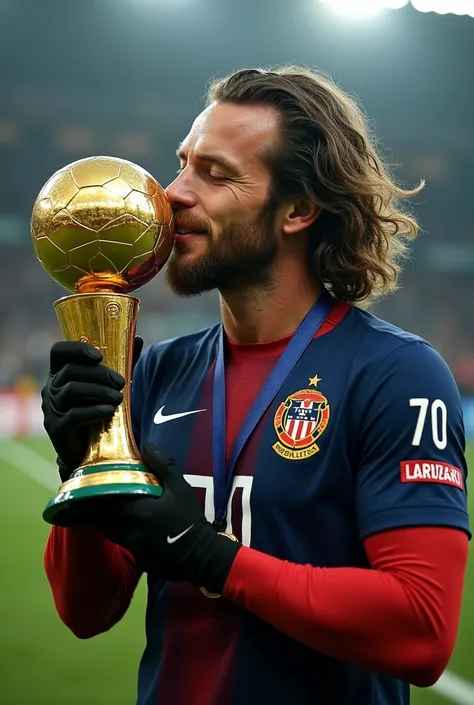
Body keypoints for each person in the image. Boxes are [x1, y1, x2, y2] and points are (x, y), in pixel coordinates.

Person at [41, 67, 470, 705]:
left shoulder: (395, 374)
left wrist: (212, 557)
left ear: (298, 209)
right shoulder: (158, 371)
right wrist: (79, 461)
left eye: (215, 175)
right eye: (182, 164)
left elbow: (421, 631)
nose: (172, 194)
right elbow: (87, 610)